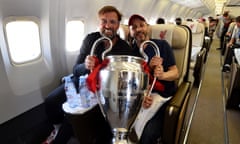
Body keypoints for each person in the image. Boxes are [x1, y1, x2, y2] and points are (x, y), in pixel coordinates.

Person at [43, 5, 134, 144]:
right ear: (99, 23)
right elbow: (75, 69)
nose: (107, 25)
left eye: (112, 22)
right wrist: (85, 65)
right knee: (51, 101)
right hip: (81, 80)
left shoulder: (124, 48)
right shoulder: (91, 39)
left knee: (75, 115)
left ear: (118, 25)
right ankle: (56, 128)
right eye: (104, 21)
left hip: (104, 88)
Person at [127, 14, 179, 144]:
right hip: (142, 95)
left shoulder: (161, 45)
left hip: (163, 95)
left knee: (148, 134)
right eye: (134, 27)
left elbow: (175, 72)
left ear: (148, 27)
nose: (138, 29)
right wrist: (141, 96)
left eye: (141, 25)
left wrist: (162, 75)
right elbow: (131, 80)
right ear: (130, 31)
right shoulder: (131, 53)